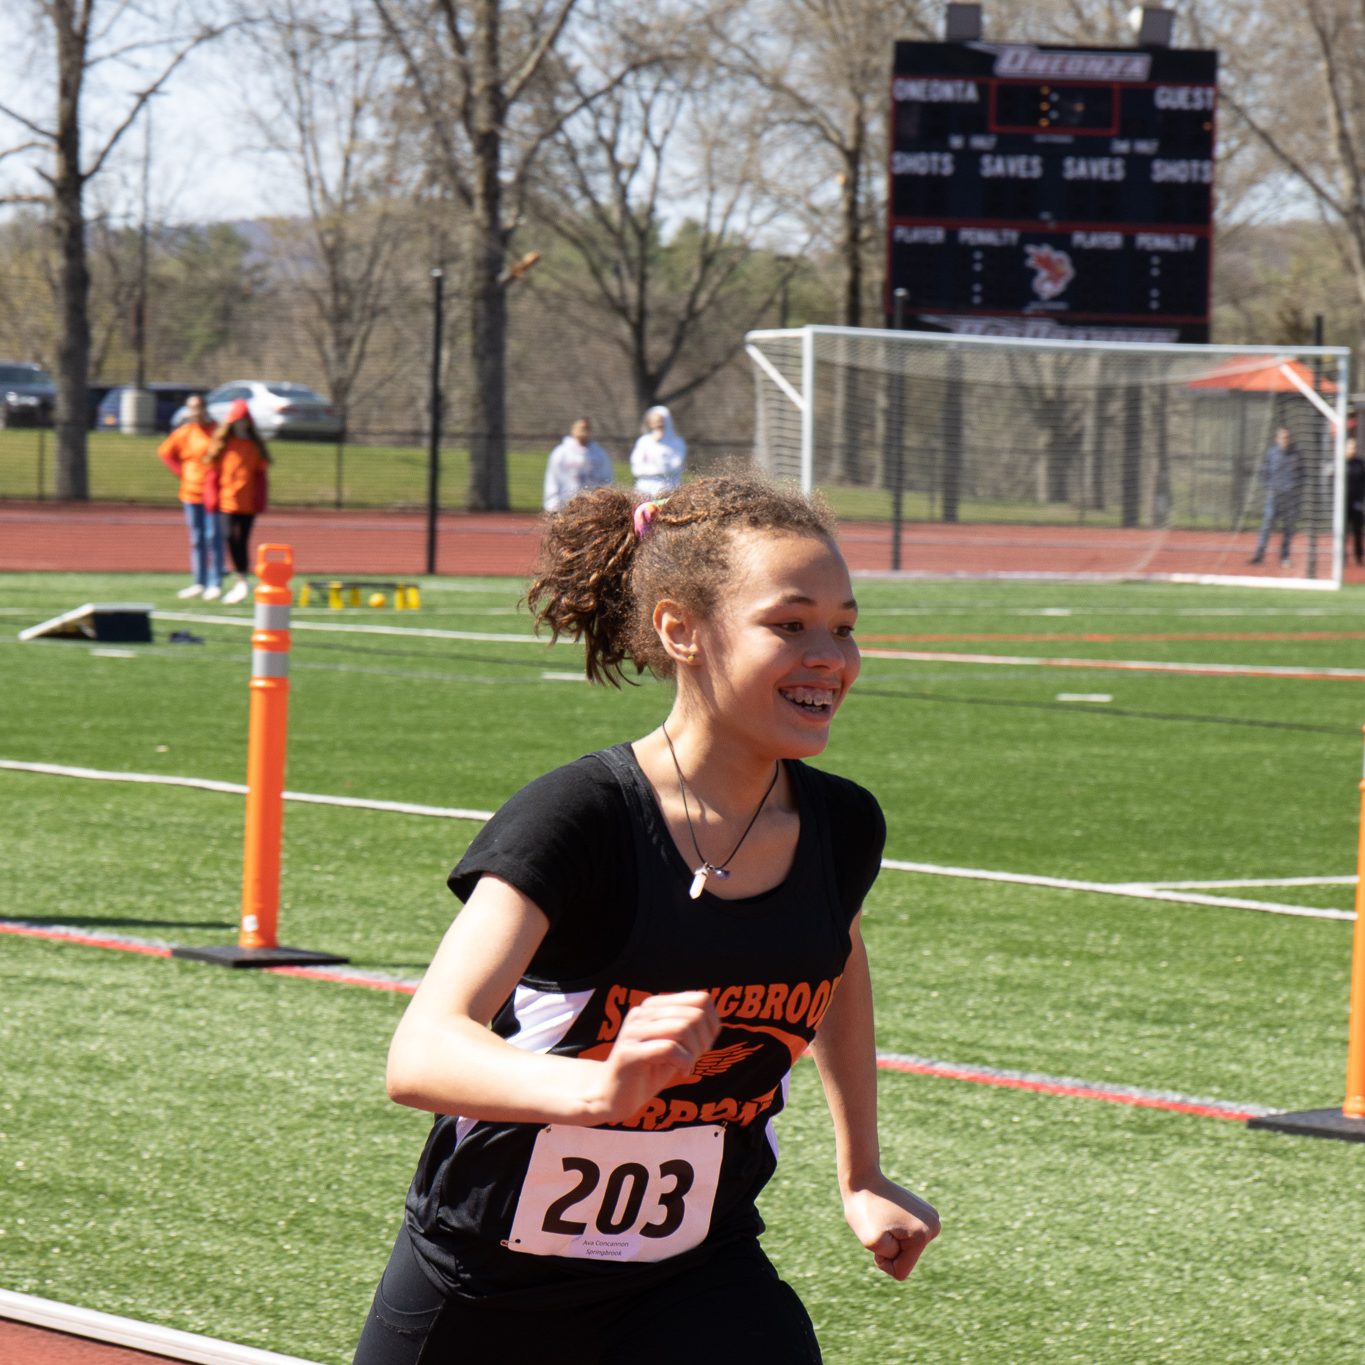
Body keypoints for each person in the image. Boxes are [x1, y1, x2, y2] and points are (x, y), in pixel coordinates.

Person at [353, 474, 940, 1365]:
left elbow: (835, 960)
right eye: (789, 625)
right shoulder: (580, 817)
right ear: (680, 630)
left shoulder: (840, 825)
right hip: (490, 1277)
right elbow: (422, 1051)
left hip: (692, 1271)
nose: (830, 655)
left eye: (845, 626)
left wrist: (861, 1171)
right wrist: (601, 1090)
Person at [157, 393, 223, 600]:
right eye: (192, 408)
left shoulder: (217, 431)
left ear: (205, 409)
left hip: (213, 493)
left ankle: (215, 582)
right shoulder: (185, 432)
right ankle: (199, 582)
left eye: (199, 407)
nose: (196, 412)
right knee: (197, 538)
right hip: (190, 493)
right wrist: (181, 473)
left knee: (214, 537)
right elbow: (165, 452)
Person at [205, 399, 270, 605]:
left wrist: (260, 499)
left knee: (242, 541)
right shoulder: (224, 445)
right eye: (237, 420)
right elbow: (212, 473)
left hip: (247, 503)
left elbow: (260, 475)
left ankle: (242, 579)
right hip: (227, 501)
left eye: (244, 420)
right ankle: (239, 578)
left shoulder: (254, 447)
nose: (240, 424)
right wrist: (211, 497)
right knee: (229, 538)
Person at [1249, 425, 1301, 566]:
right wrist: (1269, 488)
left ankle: (1285, 557)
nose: (1285, 440)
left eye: (1287, 437)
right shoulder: (1271, 453)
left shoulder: (1296, 454)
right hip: (1274, 496)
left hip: (1289, 498)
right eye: (1282, 437)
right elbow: (1264, 472)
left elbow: (1303, 474)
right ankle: (1259, 556)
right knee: (1266, 525)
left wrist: (1296, 489)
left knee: (1288, 528)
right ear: (1277, 439)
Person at [543, 417, 615, 512]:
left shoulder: (599, 454)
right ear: (573, 429)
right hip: (565, 506)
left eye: (586, 428)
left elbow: (607, 480)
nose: (583, 431)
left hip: (592, 507)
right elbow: (553, 478)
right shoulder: (561, 453)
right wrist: (552, 503)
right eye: (580, 428)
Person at [629, 405, 686, 497]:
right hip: (645, 489)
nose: (658, 425)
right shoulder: (643, 441)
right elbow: (636, 467)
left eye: (660, 422)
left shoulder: (677, 442)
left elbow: (675, 466)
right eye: (654, 422)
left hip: (668, 488)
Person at [1345, 435, 1364, 567]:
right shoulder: (1341, 464)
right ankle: (1342, 558)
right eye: (1351, 447)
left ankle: (1358, 558)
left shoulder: (1360, 464)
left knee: (1357, 531)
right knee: (1343, 532)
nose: (1353, 449)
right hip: (1343, 505)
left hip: (1356, 503)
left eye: (1355, 447)